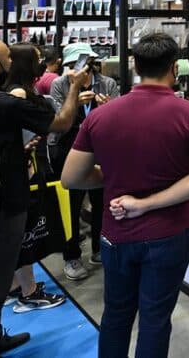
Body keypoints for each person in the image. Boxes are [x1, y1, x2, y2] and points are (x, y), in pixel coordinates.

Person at [61, 33, 189, 358]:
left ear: (135, 66)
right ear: (175, 68)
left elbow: (71, 178)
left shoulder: (101, 116)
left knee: (116, 316)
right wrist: (147, 203)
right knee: (155, 319)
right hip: (169, 233)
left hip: (116, 233)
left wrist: (113, 177)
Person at [0, 37, 86, 357]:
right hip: (1, 203)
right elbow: (61, 123)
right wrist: (75, 87)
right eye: (7, 58)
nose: (10, 63)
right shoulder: (2, 102)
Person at [3, 44, 67, 314]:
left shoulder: (14, 91)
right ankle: (28, 293)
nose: (42, 63)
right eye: (37, 59)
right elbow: (52, 125)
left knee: (19, 233)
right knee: (25, 234)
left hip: (23, 168)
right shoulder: (18, 93)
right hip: (24, 171)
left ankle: (14, 286)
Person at [50, 43, 120, 279]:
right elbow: (59, 120)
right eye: (74, 64)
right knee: (71, 203)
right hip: (69, 147)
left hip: (101, 147)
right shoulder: (60, 84)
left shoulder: (106, 83)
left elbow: (118, 116)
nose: (80, 69)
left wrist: (107, 108)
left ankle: (100, 248)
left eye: (84, 63)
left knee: (102, 201)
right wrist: (75, 102)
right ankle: (71, 256)